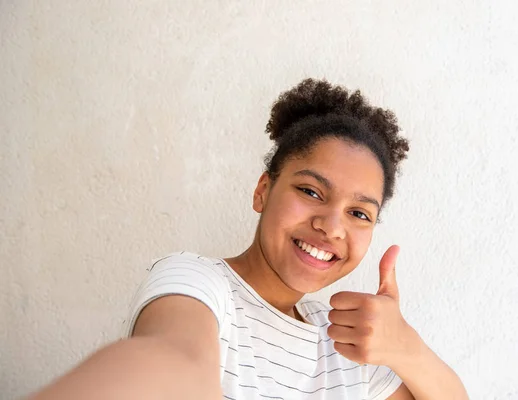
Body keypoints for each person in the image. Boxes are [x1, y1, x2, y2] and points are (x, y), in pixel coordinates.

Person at [28, 79, 468, 399]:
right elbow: (171, 362)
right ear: (263, 191)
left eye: (359, 213)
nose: (332, 227)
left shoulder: (346, 343)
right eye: (311, 191)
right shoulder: (199, 283)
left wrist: (405, 346)